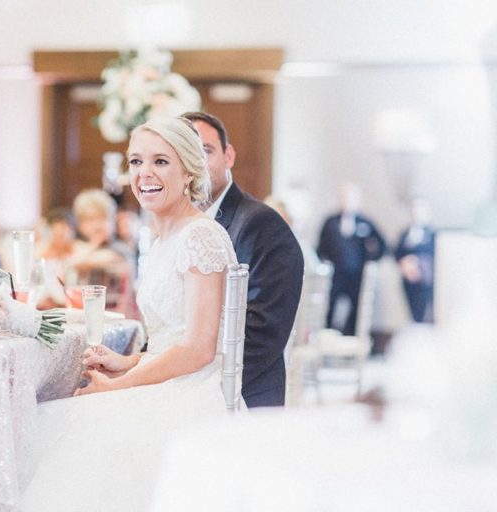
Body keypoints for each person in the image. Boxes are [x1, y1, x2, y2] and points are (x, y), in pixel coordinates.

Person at [21, 117, 240, 511]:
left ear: (189, 170)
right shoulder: (160, 240)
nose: (144, 174)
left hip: (193, 392)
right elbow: (172, 336)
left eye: (160, 162)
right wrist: (129, 360)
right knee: (51, 416)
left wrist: (120, 385)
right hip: (171, 376)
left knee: (67, 425)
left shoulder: (201, 236)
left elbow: (199, 348)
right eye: (136, 162)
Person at [183, 111, 304, 408]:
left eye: (206, 152)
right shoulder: (181, 229)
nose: (196, 164)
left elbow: (263, 333)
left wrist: (196, 388)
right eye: (186, 155)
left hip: (240, 399)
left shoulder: (261, 225)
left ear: (229, 156)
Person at [316, 182, 386, 335]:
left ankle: (351, 337)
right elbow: (320, 247)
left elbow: (382, 244)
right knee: (330, 306)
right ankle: (328, 337)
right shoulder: (330, 222)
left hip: (356, 274)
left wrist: (371, 260)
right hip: (336, 275)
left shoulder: (365, 222)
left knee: (356, 308)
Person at [395, 197, 435, 323]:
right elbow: (396, 252)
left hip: (424, 281)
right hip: (408, 280)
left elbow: (433, 253)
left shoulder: (432, 234)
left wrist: (417, 262)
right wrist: (405, 264)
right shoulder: (405, 233)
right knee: (412, 311)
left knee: (424, 310)